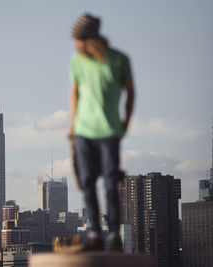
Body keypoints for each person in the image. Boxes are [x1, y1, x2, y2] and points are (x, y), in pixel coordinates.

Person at [68, 13, 135, 251]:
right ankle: (95, 233)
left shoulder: (119, 60)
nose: (75, 45)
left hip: (108, 131)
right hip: (83, 131)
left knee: (109, 183)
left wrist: (125, 122)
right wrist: (73, 124)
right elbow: (75, 92)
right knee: (87, 182)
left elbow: (130, 92)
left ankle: (114, 234)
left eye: (78, 40)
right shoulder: (77, 62)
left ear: (90, 39)